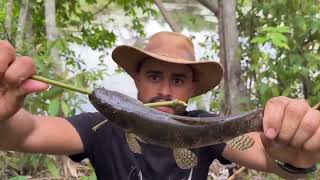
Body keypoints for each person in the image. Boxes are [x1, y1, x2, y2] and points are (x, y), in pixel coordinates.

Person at [0, 31, 319, 180]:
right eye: (154, 75)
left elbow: (270, 159)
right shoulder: (100, 127)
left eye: (178, 80)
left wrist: (295, 157)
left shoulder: (208, 130)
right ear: (136, 78)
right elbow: (25, 133)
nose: (165, 89)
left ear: (193, 88)